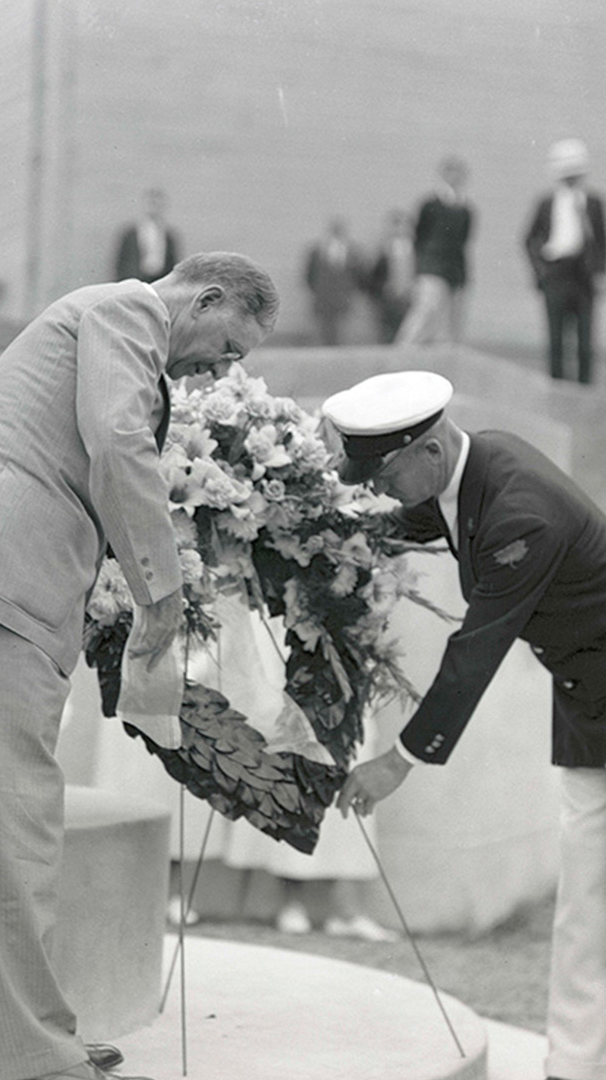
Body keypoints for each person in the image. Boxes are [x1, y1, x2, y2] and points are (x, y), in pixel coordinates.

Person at [0, 253, 280, 1080]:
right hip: (3, 579)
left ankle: (15, 1040)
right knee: (14, 825)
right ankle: (35, 1057)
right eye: (230, 347)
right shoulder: (127, 315)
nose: (219, 371)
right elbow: (119, 441)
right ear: (205, 297)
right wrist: (161, 593)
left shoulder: (97, 315)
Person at [322, 370, 606, 1080]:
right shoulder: (473, 467)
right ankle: (574, 1066)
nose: (380, 490)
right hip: (589, 701)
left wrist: (396, 761)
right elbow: (407, 521)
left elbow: (474, 651)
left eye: (383, 475)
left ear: (429, 452)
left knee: (592, 896)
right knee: (588, 896)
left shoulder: (522, 515)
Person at [524, 138, 606, 385]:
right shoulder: (547, 203)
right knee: (556, 338)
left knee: (584, 340)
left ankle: (584, 390)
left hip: (583, 276)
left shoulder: (592, 203)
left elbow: (602, 241)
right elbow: (529, 239)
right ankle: (556, 387)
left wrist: (599, 271)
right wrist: (541, 272)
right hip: (556, 274)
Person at [395, 156, 474, 345]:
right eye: (450, 172)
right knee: (426, 309)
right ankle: (402, 350)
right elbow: (419, 237)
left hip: (453, 270)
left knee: (449, 321)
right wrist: (418, 268)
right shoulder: (430, 205)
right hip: (432, 266)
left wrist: (462, 275)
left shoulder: (465, 210)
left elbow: (463, 242)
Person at [303, 216, 363, 346]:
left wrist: (349, 291)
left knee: (342, 328)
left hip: (343, 296)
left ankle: (341, 349)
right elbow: (309, 275)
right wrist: (318, 290)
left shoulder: (352, 252)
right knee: (324, 327)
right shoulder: (318, 251)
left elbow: (357, 275)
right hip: (323, 296)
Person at [366, 209, 417, 344]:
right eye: (396, 225)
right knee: (387, 334)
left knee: (408, 333)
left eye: (403, 225)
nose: (400, 229)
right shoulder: (384, 249)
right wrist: (382, 289)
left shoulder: (415, 248)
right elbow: (373, 275)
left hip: (409, 297)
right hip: (388, 299)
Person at [114, 188, 181, 283]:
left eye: (157, 205)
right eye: (151, 204)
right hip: (135, 280)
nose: (154, 208)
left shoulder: (169, 235)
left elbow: (172, 263)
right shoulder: (130, 233)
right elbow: (120, 262)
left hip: (159, 280)